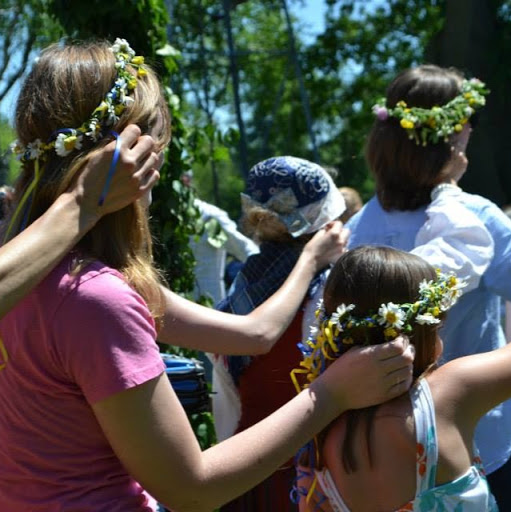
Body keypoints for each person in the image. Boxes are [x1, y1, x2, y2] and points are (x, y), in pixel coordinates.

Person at [0, 39, 415, 512]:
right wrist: (334, 392)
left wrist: (309, 261)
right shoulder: (96, 298)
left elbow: (255, 333)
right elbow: (192, 488)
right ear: (135, 158)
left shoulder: (28, 272)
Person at [346, 64, 511, 506]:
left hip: (386, 443)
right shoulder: (478, 219)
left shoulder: (359, 227)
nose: (472, 131)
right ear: (446, 138)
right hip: (482, 439)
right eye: (464, 123)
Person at [294, 246, 502, 511]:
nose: (440, 340)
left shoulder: (315, 435)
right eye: (437, 328)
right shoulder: (448, 394)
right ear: (414, 334)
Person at [211, 156, 347, 511]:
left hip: (245, 471)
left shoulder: (236, 297)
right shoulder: (335, 300)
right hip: (317, 477)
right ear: (326, 221)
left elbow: (225, 407)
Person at [0, 123, 161, 320]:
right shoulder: (103, 298)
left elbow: (145, 298)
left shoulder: (31, 267)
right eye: (158, 141)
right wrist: (83, 201)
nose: (159, 159)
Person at [181, 170, 258, 305]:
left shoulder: (209, 216)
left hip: (210, 306)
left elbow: (245, 249)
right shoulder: (158, 217)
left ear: (186, 180)